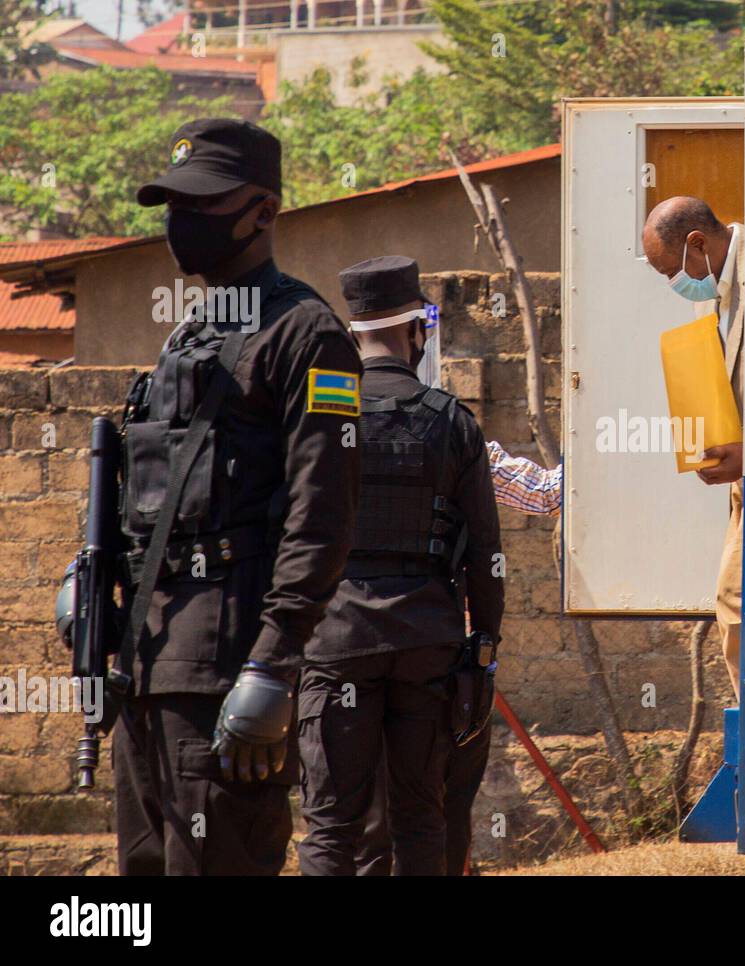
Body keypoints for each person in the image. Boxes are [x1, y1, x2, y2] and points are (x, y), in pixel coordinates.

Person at [112, 118, 362, 875]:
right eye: (174, 205)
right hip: (145, 658)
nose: (182, 223)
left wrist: (273, 665)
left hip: (226, 664)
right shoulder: (190, 334)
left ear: (264, 211)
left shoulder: (307, 334)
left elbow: (324, 514)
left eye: (203, 204)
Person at [296, 255, 504, 876]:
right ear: (418, 332)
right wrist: (483, 645)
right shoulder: (452, 423)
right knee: (421, 817)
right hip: (426, 644)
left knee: (332, 824)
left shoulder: (319, 416)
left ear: (354, 333)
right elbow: (486, 555)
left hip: (336, 642)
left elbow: (293, 534)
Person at [356, 440, 562, 876]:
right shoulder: (458, 439)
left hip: (350, 650)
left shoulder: (330, 435)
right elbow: (546, 493)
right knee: (439, 809)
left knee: (359, 814)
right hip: (443, 655)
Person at [642, 197, 745, 698]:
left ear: (697, 243)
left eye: (670, 271)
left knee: (735, 602)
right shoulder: (718, 293)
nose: (673, 285)